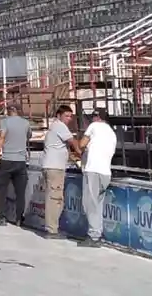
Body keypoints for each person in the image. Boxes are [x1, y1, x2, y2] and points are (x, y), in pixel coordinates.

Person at [78, 109, 117, 247]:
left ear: (98, 117)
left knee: (90, 204)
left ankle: (94, 235)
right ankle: (97, 233)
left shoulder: (94, 126)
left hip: (93, 170)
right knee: (98, 205)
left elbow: (81, 144)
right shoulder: (112, 132)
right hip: (105, 172)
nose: (92, 118)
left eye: (94, 116)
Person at [0, 102, 30, 227]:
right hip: (21, 160)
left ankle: (1, 217)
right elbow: (28, 136)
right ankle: (19, 218)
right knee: (20, 192)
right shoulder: (26, 123)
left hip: (7, 159)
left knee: (2, 189)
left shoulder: (5, 122)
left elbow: (1, 137)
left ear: (10, 110)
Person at [41, 105, 75, 237]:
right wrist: (81, 151)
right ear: (59, 115)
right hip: (54, 167)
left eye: (70, 116)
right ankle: (51, 229)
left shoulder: (55, 127)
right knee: (54, 198)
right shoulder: (60, 126)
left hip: (54, 166)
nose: (69, 119)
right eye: (66, 116)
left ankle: (52, 227)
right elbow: (73, 142)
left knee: (56, 198)